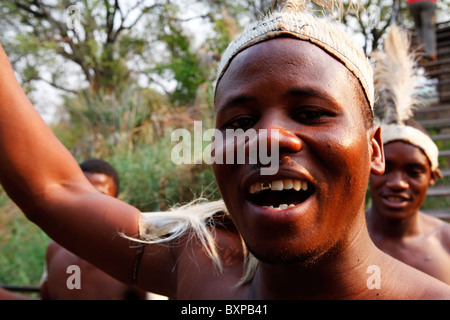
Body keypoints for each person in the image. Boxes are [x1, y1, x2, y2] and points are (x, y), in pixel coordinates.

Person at [0, 0, 449, 300]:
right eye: (238, 123)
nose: (267, 138)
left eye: (311, 113)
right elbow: (54, 190)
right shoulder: (203, 270)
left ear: (374, 150)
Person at [366, 25, 450, 285]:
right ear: (369, 167)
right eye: (386, 167)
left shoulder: (446, 243)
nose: (397, 183)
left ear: (433, 177)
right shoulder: (337, 239)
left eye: (414, 171)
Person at [40, 159, 148, 300]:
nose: (87, 205)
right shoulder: (54, 251)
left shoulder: (134, 260)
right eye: (80, 194)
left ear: (117, 203)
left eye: (99, 196)